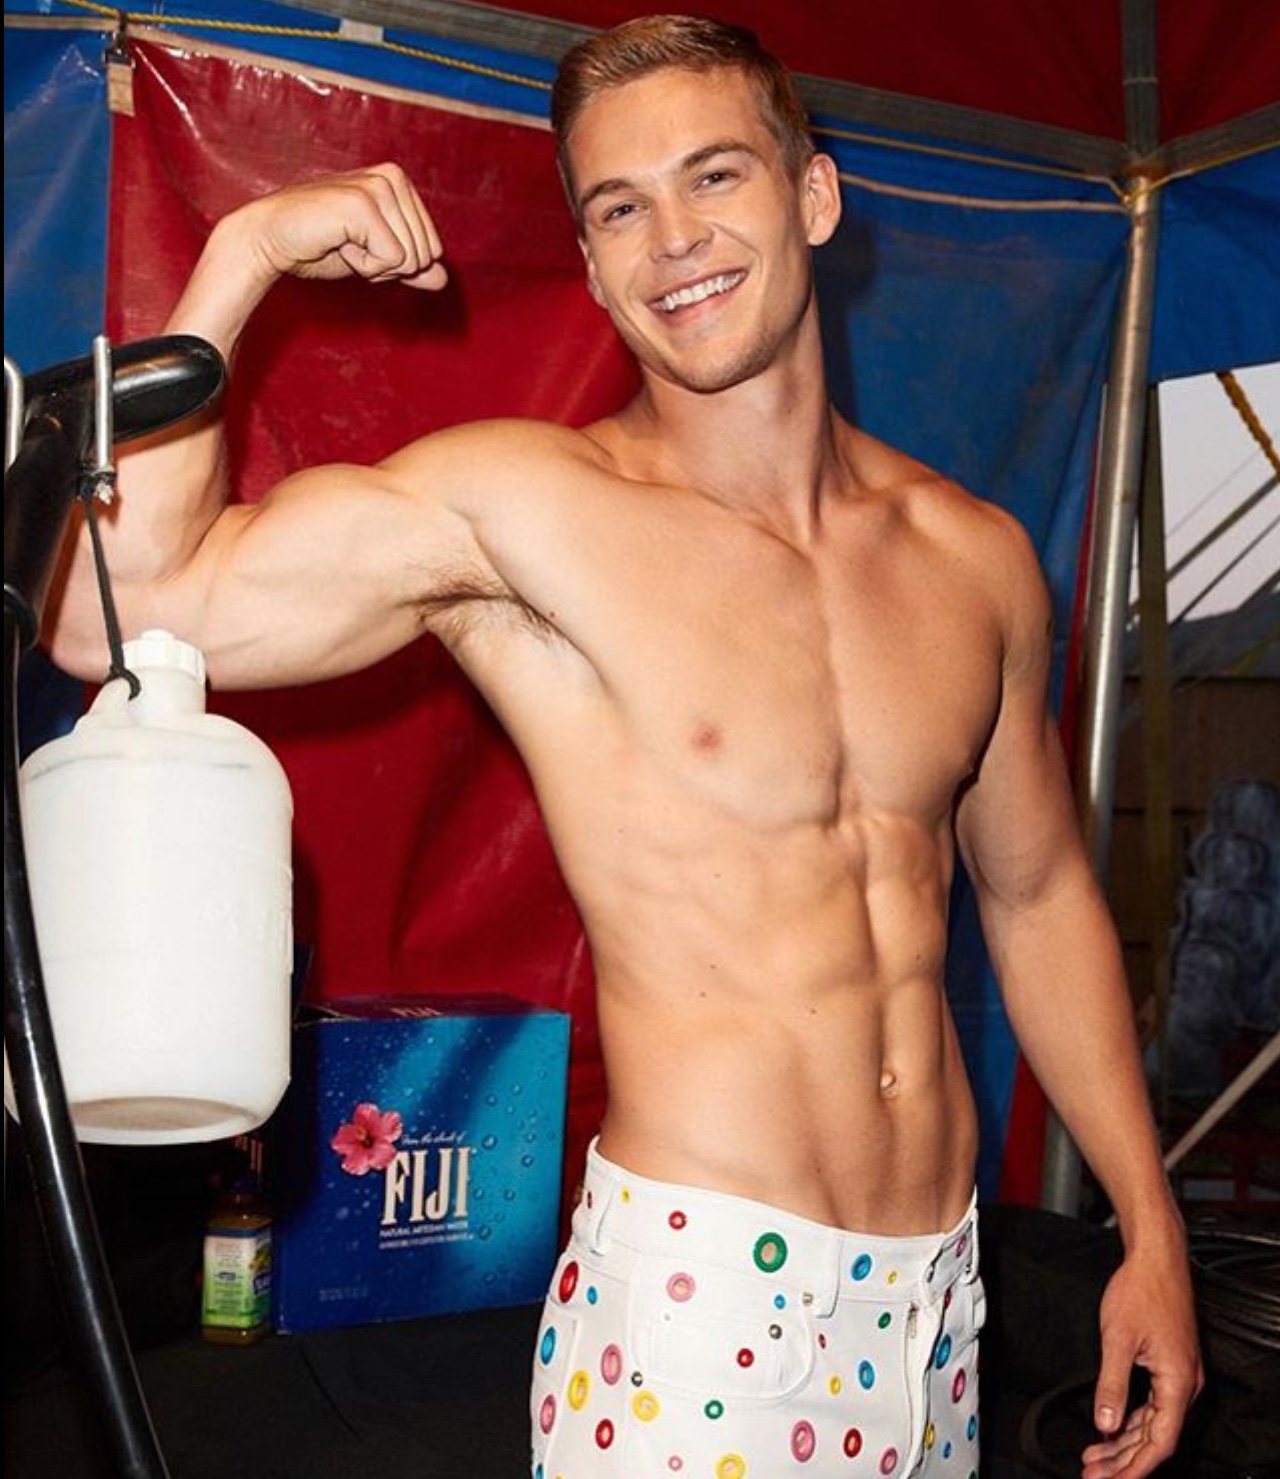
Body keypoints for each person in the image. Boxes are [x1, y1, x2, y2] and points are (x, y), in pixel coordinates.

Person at [46, 16, 1200, 1478]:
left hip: (935, 1313)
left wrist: (1149, 1228)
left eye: (714, 176)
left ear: (813, 196)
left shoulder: (974, 561)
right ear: (592, 268)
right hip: (704, 1312)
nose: (674, 241)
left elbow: (1037, 898)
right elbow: (116, 608)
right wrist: (247, 251)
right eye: (618, 209)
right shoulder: (527, 512)